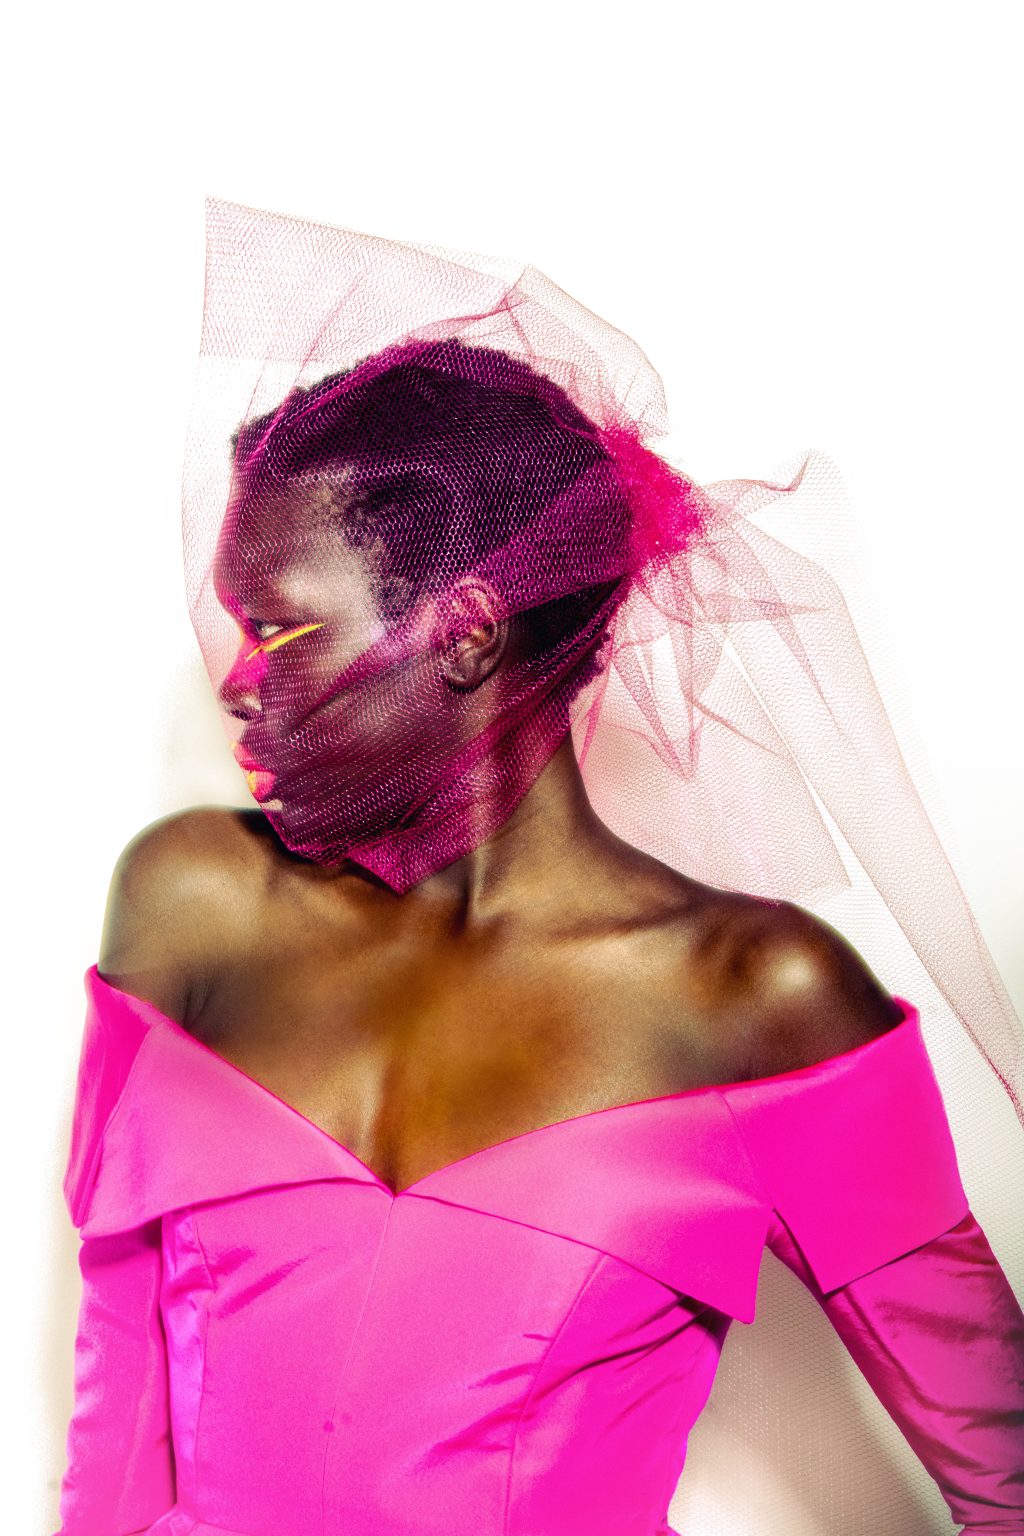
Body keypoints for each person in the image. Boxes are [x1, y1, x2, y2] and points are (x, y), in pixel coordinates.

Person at [52, 203, 1024, 1536]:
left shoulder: (758, 1001)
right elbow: (115, 1416)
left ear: (463, 633)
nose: (237, 680)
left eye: (278, 629)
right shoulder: (191, 904)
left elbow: (1006, 1467)